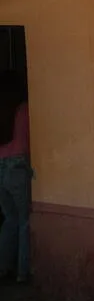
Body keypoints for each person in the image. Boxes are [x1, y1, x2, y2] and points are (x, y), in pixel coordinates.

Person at [0, 70, 31, 283]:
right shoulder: (25, 110)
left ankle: (3, 268)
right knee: (25, 221)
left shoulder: (3, 110)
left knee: (9, 219)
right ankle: (23, 272)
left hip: (0, 166)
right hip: (18, 167)